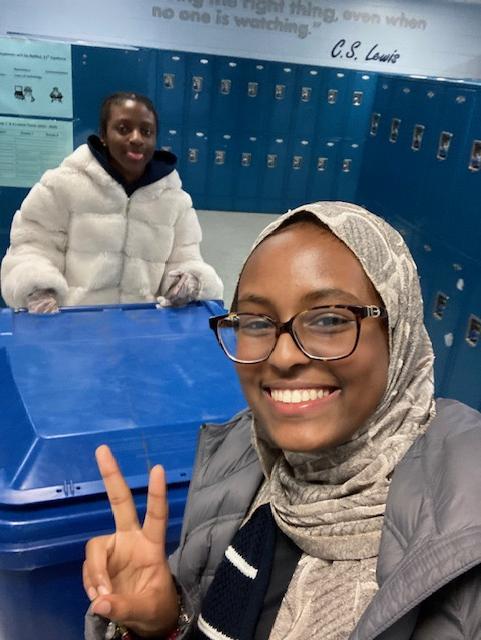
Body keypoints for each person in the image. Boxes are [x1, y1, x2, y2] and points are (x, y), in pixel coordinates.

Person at [83, 201, 481, 640]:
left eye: (329, 319)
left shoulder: (465, 550)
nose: (284, 355)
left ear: (398, 331)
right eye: (256, 322)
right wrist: (166, 622)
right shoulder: (241, 456)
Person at [0, 92, 223, 312]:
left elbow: (186, 258)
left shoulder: (175, 201)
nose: (136, 138)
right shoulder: (62, 186)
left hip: (145, 326)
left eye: (146, 132)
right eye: (123, 129)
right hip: (76, 324)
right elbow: (32, 246)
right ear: (103, 136)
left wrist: (190, 280)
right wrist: (38, 287)